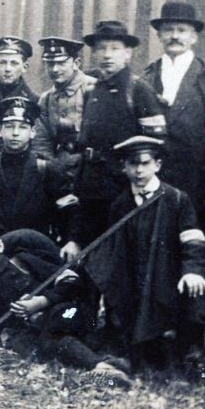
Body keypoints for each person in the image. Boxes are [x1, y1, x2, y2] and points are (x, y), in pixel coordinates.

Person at [0, 216, 121, 379]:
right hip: (31, 331)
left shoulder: (21, 261)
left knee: (54, 329)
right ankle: (105, 368)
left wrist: (41, 302)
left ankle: (100, 365)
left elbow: (71, 282)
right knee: (31, 345)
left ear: (0, 245)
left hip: (69, 313)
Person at [94, 135, 205, 371]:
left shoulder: (177, 199)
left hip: (169, 279)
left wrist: (192, 271)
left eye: (145, 163)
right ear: (123, 167)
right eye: (132, 164)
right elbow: (115, 254)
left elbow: (193, 239)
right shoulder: (121, 205)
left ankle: (187, 354)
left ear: (157, 165)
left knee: (190, 300)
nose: (138, 170)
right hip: (136, 284)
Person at [68, 20, 166, 250]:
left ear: (127, 53)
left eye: (115, 48)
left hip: (124, 190)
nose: (107, 55)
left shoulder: (138, 90)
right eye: (101, 48)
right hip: (91, 189)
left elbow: (158, 145)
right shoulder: (92, 90)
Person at [141, 1, 205, 215]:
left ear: (194, 37)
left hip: (197, 188)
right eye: (168, 30)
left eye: (182, 30)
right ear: (159, 35)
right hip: (151, 183)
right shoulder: (146, 79)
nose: (174, 36)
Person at [0, 96, 75, 242]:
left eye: (22, 127)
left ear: (33, 132)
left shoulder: (47, 168)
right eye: (9, 126)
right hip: (0, 246)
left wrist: (70, 242)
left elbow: (66, 213)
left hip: (38, 245)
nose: (15, 133)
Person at [32, 35, 93, 172]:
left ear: (76, 63)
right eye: (50, 63)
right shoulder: (46, 99)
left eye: (61, 63)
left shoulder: (94, 89)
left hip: (91, 169)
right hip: (59, 170)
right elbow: (42, 141)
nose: (55, 69)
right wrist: (51, 167)